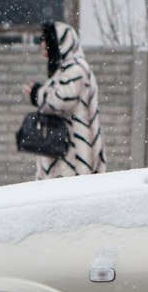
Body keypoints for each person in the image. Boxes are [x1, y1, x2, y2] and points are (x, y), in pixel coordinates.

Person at [21, 21, 107, 179]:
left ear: (60, 42)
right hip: (66, 150)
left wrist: (37, 93)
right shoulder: (66, 68)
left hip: (76, 155)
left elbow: (60, 100)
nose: (42, 44)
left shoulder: (76, 69)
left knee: (68, 200)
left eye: (46, 39)